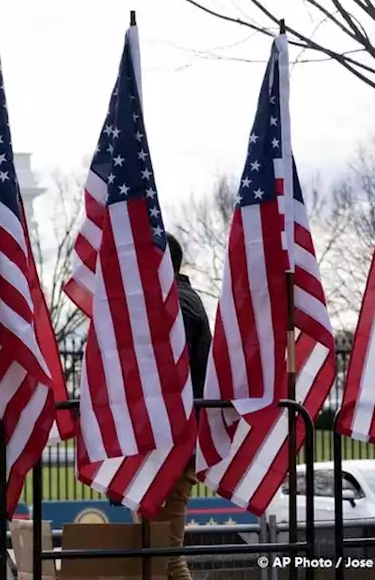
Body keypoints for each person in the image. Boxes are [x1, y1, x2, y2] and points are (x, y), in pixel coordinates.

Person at [158, 232, 213, 580]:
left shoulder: (175, 302)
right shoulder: (185, 299)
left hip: (174, 435)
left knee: (165, 552)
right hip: (179, 432)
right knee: (161, 547)